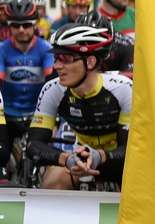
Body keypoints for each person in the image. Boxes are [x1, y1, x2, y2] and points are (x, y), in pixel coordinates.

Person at [27, 22, 131, 190]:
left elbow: (132, 149)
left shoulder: (123, 89)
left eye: (65, 59)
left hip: (119, 161)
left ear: (90, 62)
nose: (57, 66)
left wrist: (100, 156)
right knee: (50, 189)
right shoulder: (52, 89)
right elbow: (33, 145)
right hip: (78, 160)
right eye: (55, 58)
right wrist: (66, 159)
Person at [0, 0, 54, 142]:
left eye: (26, 25)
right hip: (7, 114)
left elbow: (52, 82)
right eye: (16, 26)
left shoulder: (46, 49)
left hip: (37, 114)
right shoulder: (2, 49)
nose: (21, 30)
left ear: (34, 24)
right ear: (9, 26)